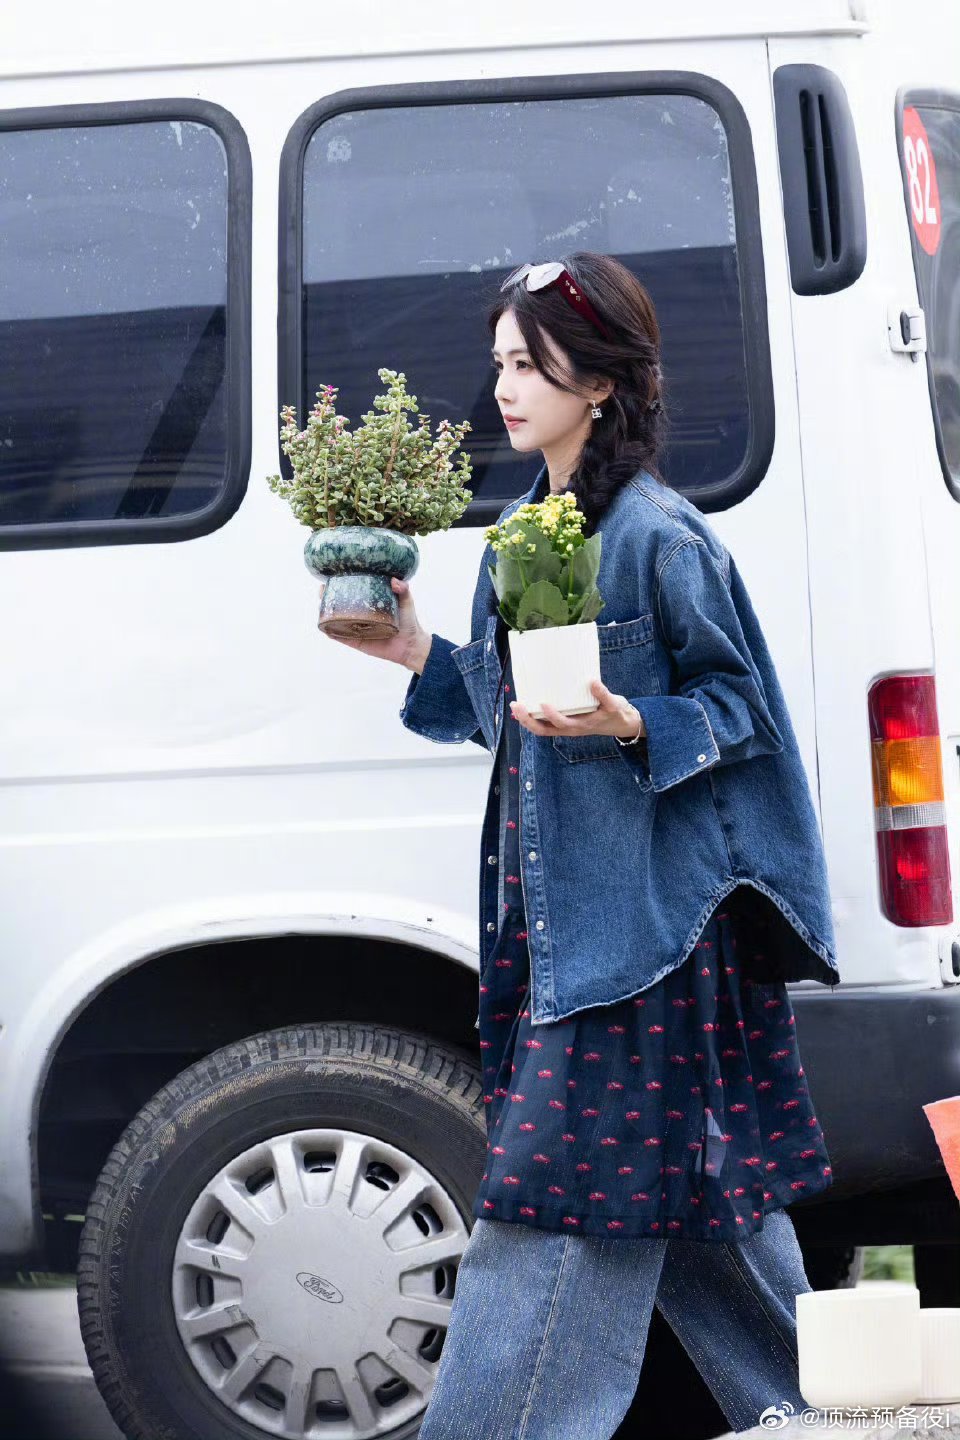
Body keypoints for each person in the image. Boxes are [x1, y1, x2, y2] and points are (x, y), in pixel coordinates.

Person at [320, 252, 837, 1437]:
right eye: (500, 362)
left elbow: (742, 709)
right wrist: (413, 651)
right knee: (706, 1218)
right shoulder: (519, 538)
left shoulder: (664, 540)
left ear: (599, 381)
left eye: (530, 363)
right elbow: (508, 715)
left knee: (550, 1214)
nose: (504, 386)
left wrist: (632, 720)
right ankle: (837, 1418)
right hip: (560, 940)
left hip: (646, 948)